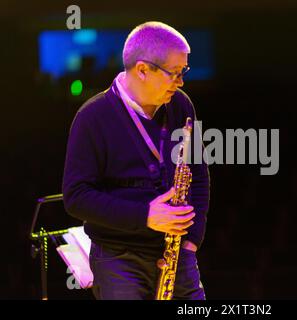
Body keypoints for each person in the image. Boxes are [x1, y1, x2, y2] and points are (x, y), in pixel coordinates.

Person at [62, 21, 210, 300]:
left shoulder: (180, 104)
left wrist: (193, 239)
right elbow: (76, 197)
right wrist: (145, 216)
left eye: (183, 72)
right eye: (174, 73)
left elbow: (198, 173)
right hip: (120, 257)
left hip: (178, 250)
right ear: (143, 69)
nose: (181, 82)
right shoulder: (93, 117)